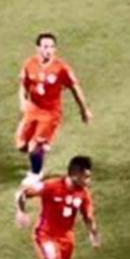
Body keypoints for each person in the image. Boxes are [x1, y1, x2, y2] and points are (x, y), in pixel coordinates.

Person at [16, 33, 92, 185]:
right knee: (22, 145)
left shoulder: (61, 68)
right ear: (38, 48)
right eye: (45, 47)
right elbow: (23, 85)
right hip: (33, 110)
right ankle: (42, 147)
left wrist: (84, 110)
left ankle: (36, 174)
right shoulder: (30, 64)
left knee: (33, 147)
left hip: (50, 113)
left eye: (51, 47)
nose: (48, 50)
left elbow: (75, 88)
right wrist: (23, 101)